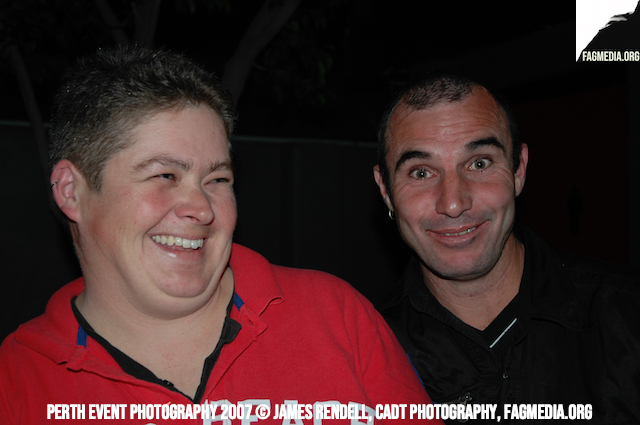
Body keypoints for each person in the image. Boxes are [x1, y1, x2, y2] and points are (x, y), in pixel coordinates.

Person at [0, 46, 440, 425]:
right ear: (71, 192)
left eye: (217, 180)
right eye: (165, 175)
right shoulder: (17, 380)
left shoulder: (336, 317)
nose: (202, 208)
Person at [373, 73, 640, 424]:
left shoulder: (628, 316)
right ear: (385, 190)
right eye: (421, 173)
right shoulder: (368, 350)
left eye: (479, 163)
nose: (453, 203)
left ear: (518, 170)